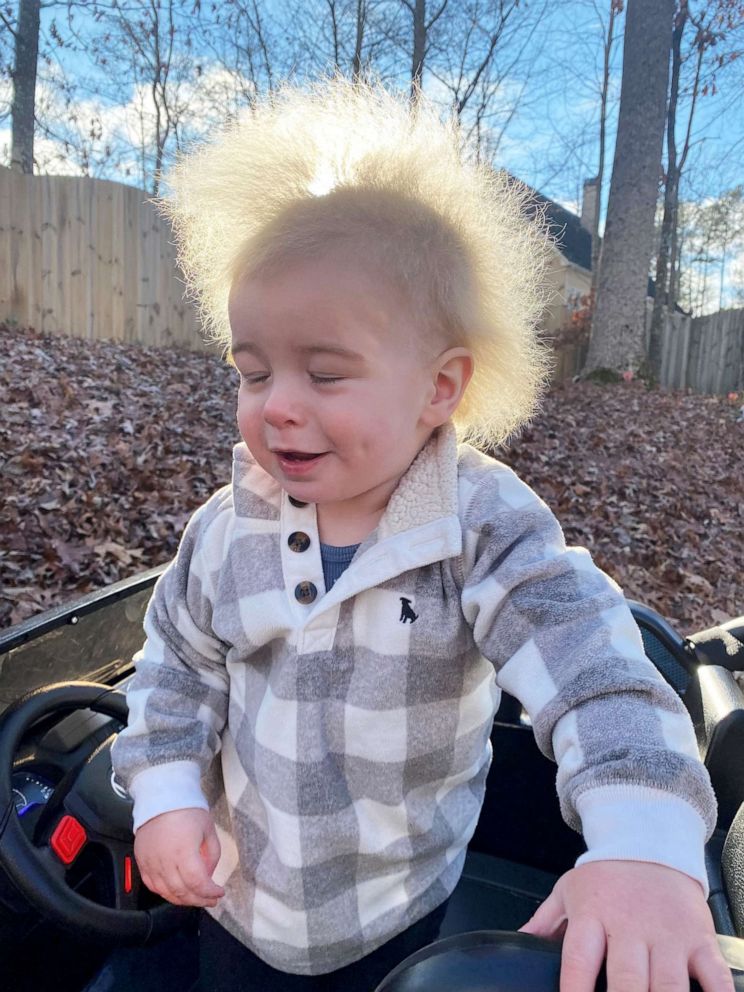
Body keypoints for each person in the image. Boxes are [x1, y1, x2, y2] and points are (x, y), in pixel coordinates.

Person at [111, 78, 733, 992]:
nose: (277, 405)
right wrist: (163, 796)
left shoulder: (480, 526)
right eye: (252, 372)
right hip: (239, 899)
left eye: (325, 374)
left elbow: (594, 667)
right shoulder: (226, 526)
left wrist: (644, 842)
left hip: (400, 908)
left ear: (440, 388)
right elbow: (174, 667)